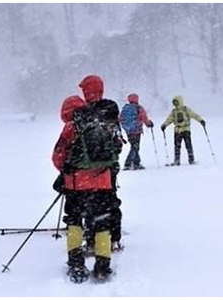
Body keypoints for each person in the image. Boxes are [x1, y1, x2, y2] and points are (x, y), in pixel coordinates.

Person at [52, 75, 122, 283]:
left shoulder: (74, 123)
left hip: (76, 184)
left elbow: (58, 156)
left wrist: (67, 171)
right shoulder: (108, 119)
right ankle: (102, 265)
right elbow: (117, 147)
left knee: (74, 221)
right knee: (102, 222)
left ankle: (76, 264)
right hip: (103, 182)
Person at [160, 95, 206, 166]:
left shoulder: (186, 109)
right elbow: (169, 119)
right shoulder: (174, 112)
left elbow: (194, 115)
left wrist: (201, 120)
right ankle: (177, 160)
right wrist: (164, 125)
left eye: (176, 102)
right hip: (177, 130)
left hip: (186, 129)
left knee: (188, 145)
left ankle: (191, 159)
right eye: (174, 102)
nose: (175, 104)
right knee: (177, 146)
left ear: (180, 101)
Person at [120, 93, 154, 170]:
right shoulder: (139, 108)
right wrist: (149, 124)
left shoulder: (125, 108)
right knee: (135, 147)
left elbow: (120, 119)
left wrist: (126, 127)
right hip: (137, 130)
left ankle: (136, 163)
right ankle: (128, 164)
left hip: (129, 131)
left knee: (134, 146)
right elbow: (144, 118)